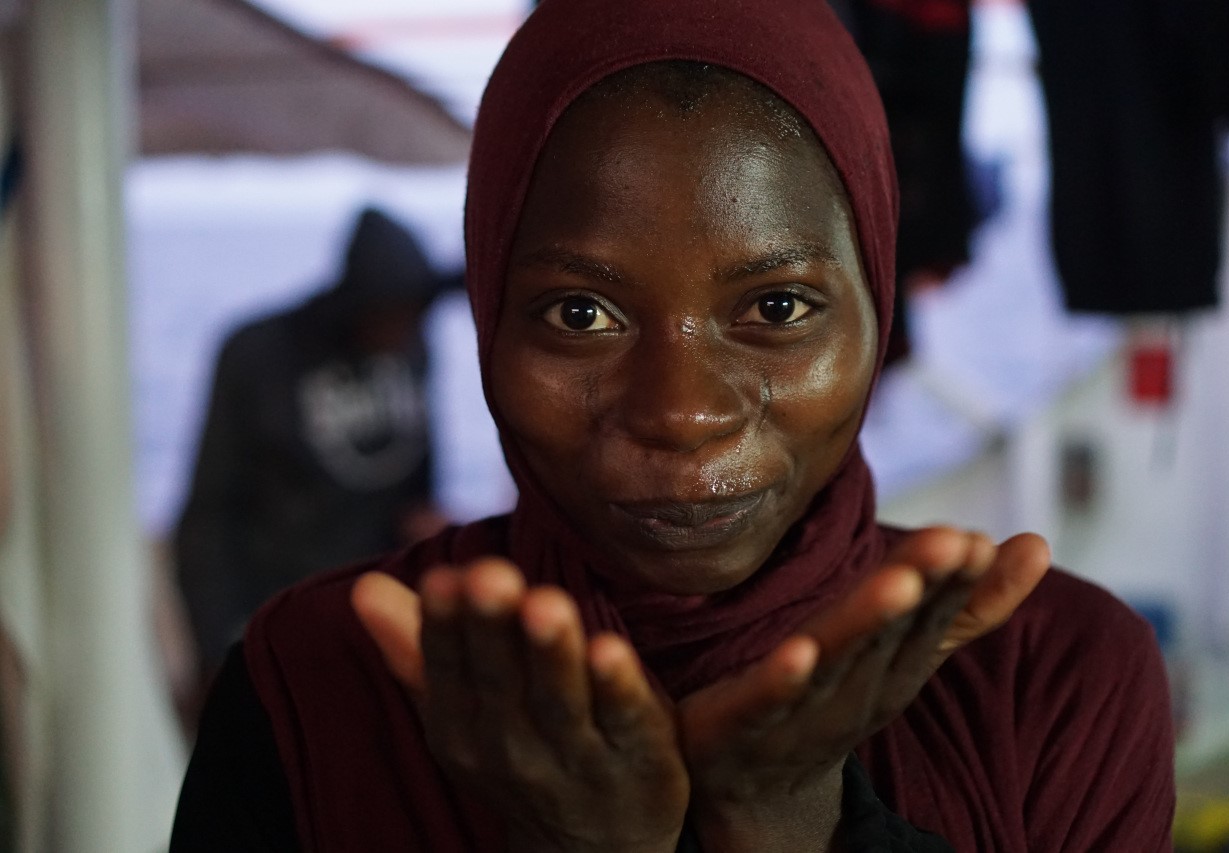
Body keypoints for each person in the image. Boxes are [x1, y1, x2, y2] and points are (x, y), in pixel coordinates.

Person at [171, 0, 1176, 850]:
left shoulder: (1051, 677)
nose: (681, 412)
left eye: (776, 308)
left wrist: (789, 819)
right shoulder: (316, 684)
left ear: (876, 305)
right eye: (580, 314)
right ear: (485, 311)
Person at [175, 206, 445, 681]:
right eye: (395, 313)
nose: (406, 328)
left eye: (417, 312)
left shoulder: (413, 349)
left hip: (380, 619)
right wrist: (223, 647)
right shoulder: (258, 353)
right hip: (282, 619)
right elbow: (210, 513)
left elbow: (419, 485)